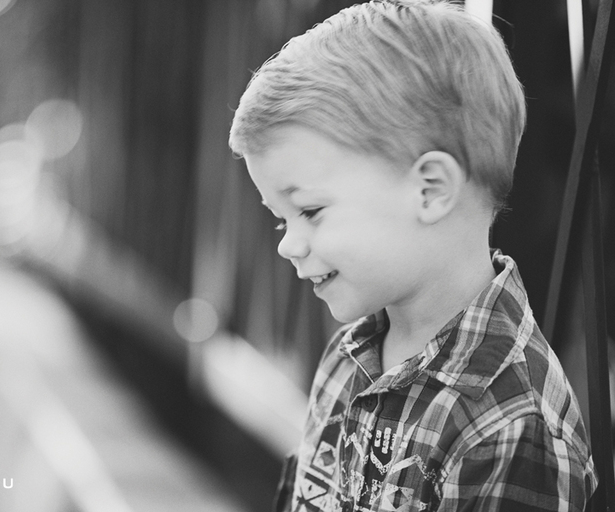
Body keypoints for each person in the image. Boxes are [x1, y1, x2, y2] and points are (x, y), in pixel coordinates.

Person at [228, 1, 597, 510]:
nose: (287, 245)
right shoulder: (349, 356)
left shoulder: (511, 421)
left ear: (429, 190)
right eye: (280, 218)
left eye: (310, 210)